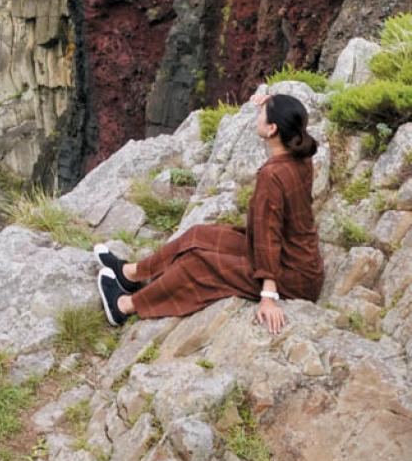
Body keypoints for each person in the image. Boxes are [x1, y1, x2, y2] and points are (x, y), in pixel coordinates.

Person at [95, 90, 324, 336]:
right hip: (296, 260)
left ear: (272, 129)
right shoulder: (300, 156)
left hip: (290, 276)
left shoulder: (272, 176)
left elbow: (270, 233)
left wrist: (268, 294)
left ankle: (124, 306)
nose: (257, 116)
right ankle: (131, 273)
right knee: (198, 235)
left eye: (262, 114)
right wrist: (273, 100)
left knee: (198, 264)